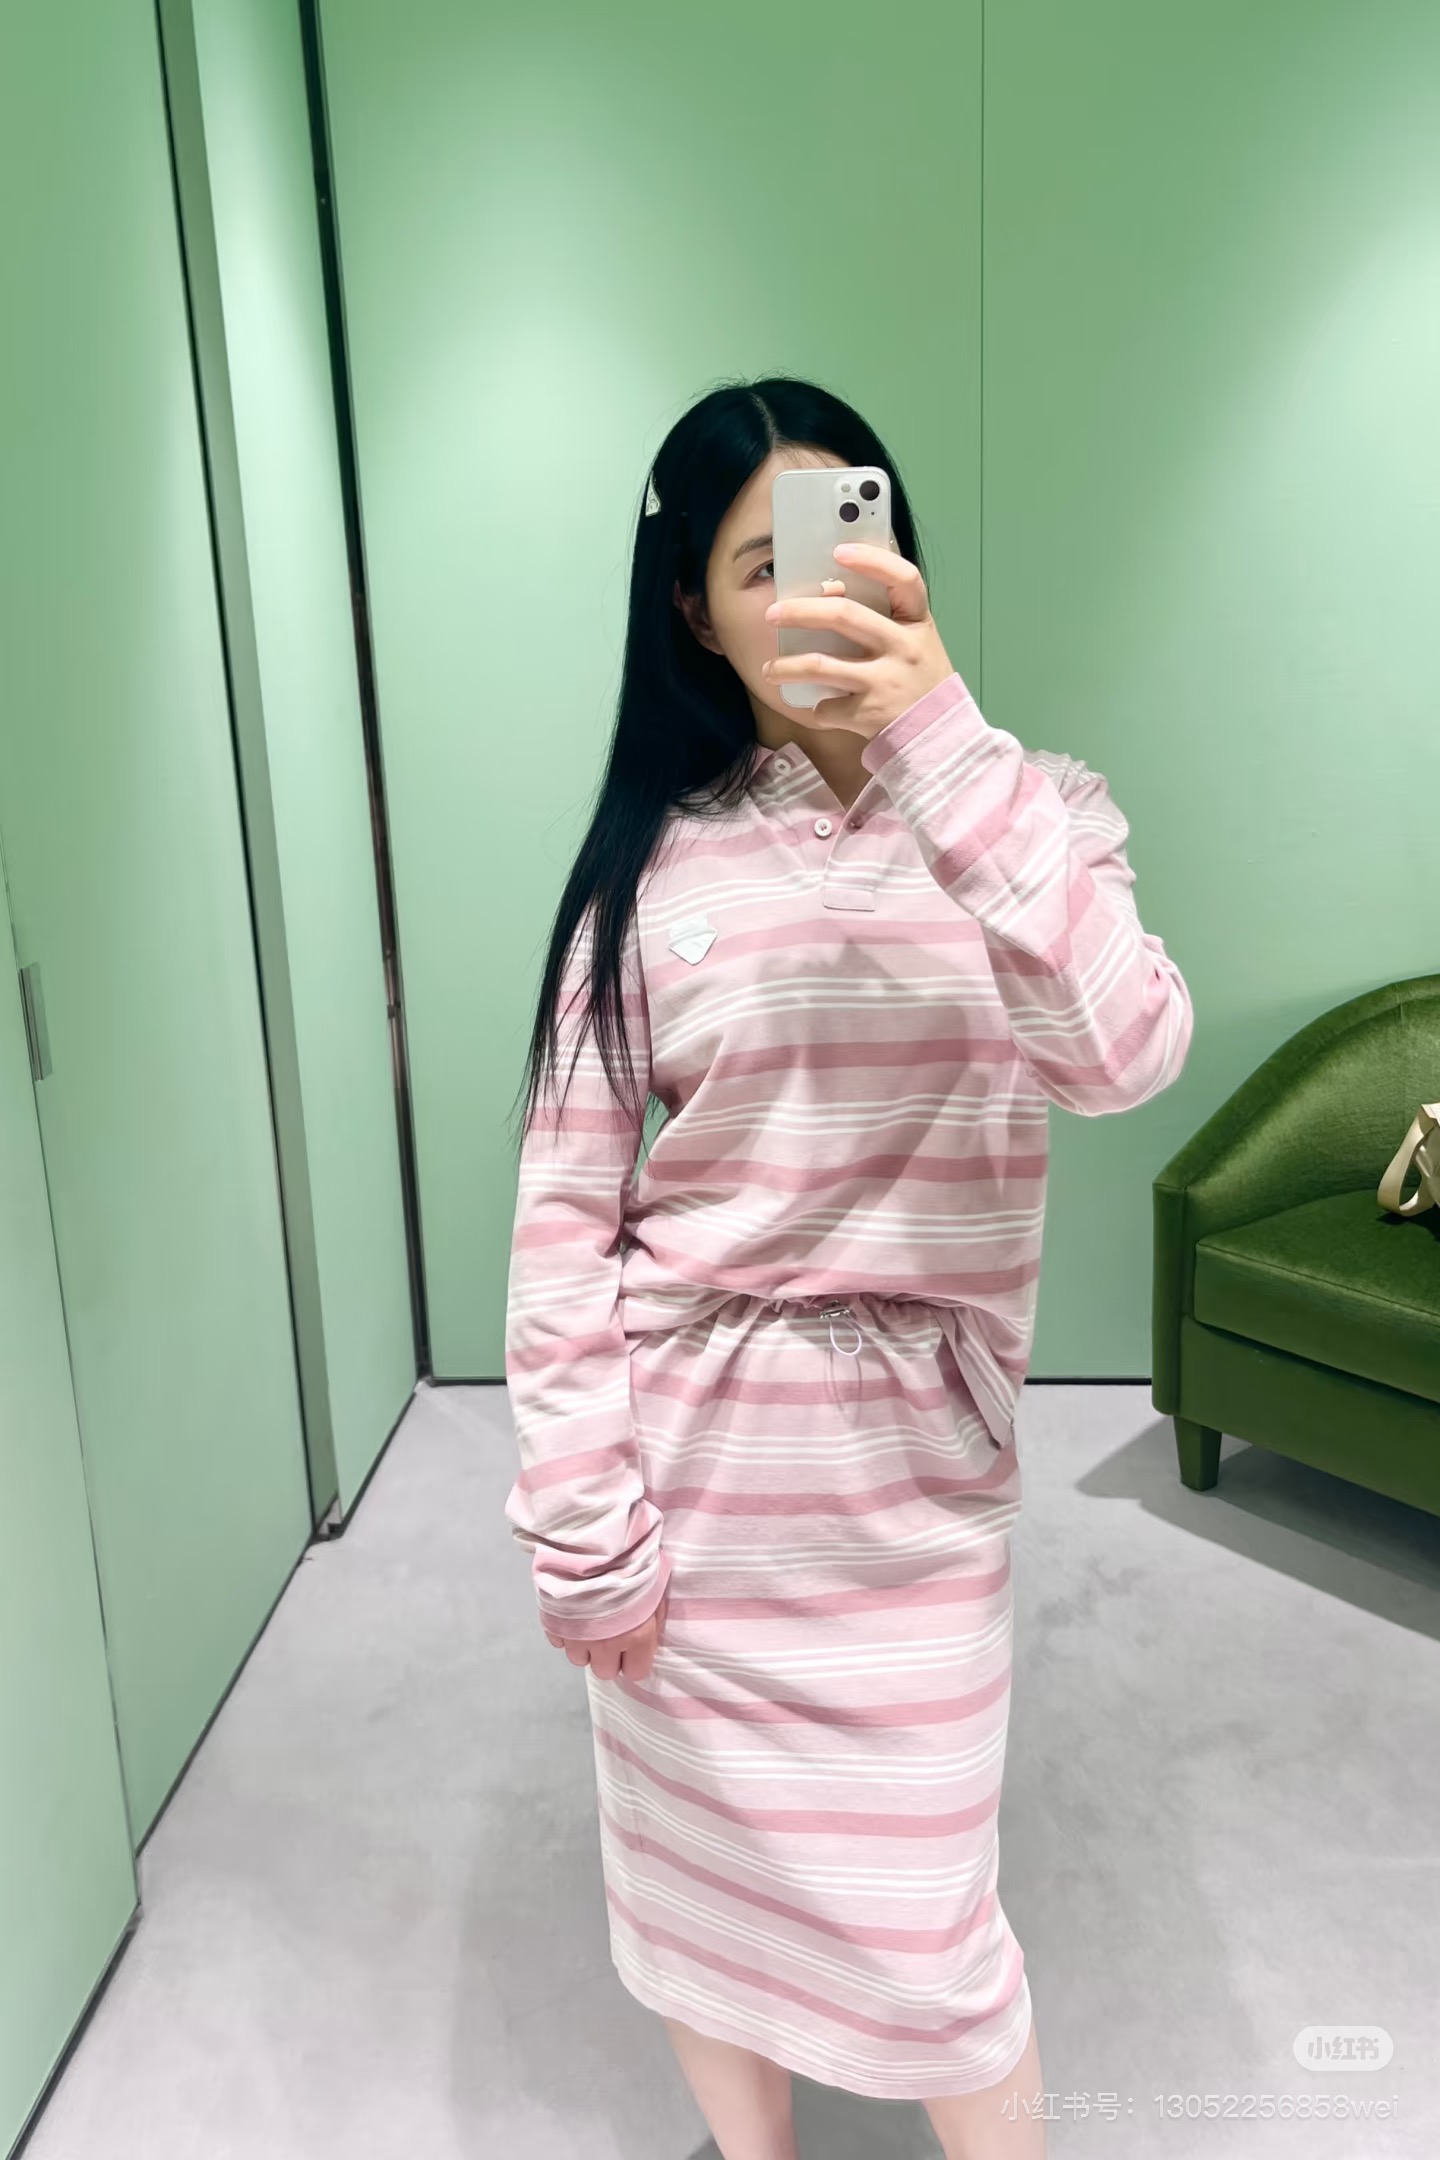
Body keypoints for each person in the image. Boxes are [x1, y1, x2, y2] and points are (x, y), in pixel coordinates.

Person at [502, 374, 1194, 2160]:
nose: (809, 592)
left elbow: (1124, 1052)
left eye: (840, 541)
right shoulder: (648, 873)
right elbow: (565, 1225)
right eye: (760, 566)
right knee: (697, 1902)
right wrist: (584, 1523)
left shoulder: (1038, 808)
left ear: (896, 554)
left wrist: (942, 744)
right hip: (697, 1484)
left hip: (915, 1499)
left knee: (931, 1938)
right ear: (694, 611)